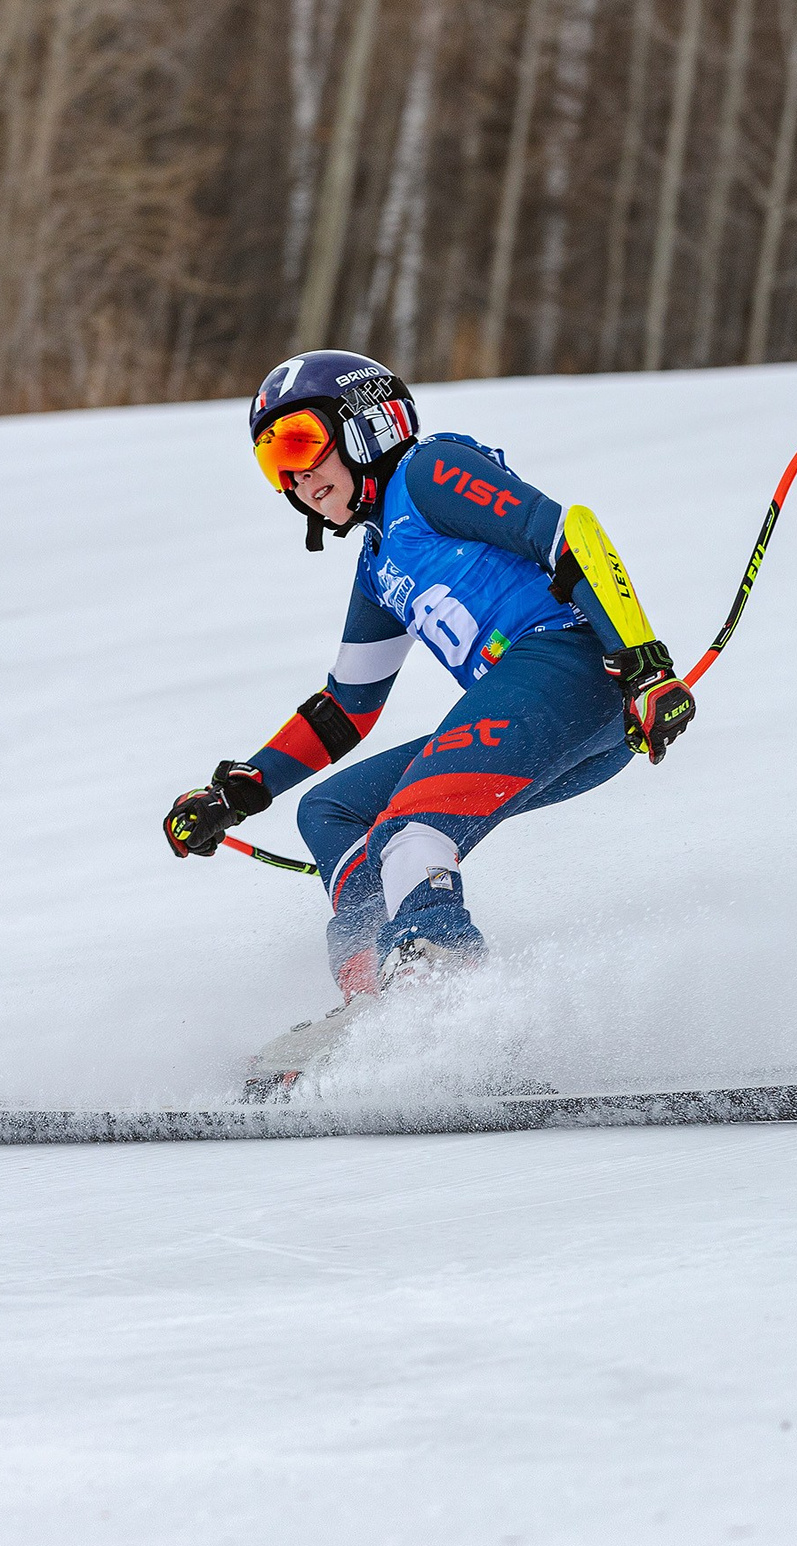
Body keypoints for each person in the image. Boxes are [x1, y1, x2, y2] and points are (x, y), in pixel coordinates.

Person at [161, 350, 695, 1073]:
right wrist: (239, 790)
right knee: (333, 812)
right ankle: (375, 1005)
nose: (294, 479)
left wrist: (644, 665)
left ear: (363, 426)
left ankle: (447, 1002)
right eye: (271, 464)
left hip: (572, 670)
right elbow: (344, 706)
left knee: (414, 827)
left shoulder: (429, 471)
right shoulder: (378, 561)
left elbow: (568, 532)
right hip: (529, 709)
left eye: (298, 445)